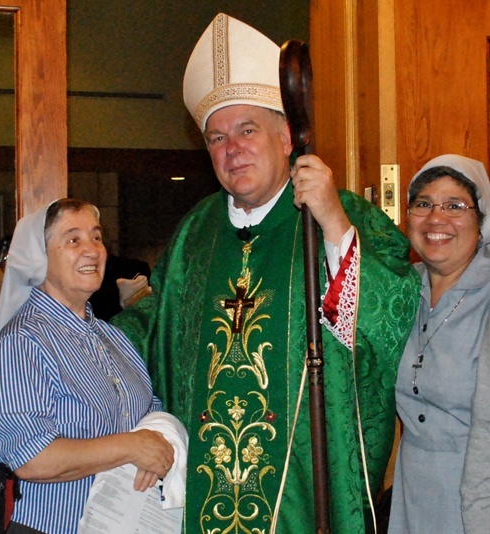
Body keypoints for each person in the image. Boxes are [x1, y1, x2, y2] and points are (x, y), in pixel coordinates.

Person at [111, 13, 421, 533]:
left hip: (303, 488)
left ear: (286, 138)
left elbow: (388, 327)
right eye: (216, 138)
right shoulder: (196, 232)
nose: (232, 149)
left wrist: (334, 227)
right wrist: (78, 338)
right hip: (204, 488)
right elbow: (154, 330)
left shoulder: (342, 215)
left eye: (247, 130)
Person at [0, 199, 176, 534]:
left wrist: (159, 439)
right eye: (73, 240)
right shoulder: (23, 341)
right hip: (49, 526)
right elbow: (31, 457)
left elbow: (150, 410)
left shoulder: (111, 335)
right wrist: (131, 447)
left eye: (97, 238)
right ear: (39, 257)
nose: (92, 250)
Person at [388, 155, 490, 533]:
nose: (436, 219)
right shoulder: (398, 293)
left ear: (481, 221)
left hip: (477, 494)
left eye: (454, 206)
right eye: (423, 204)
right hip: (413, 492)